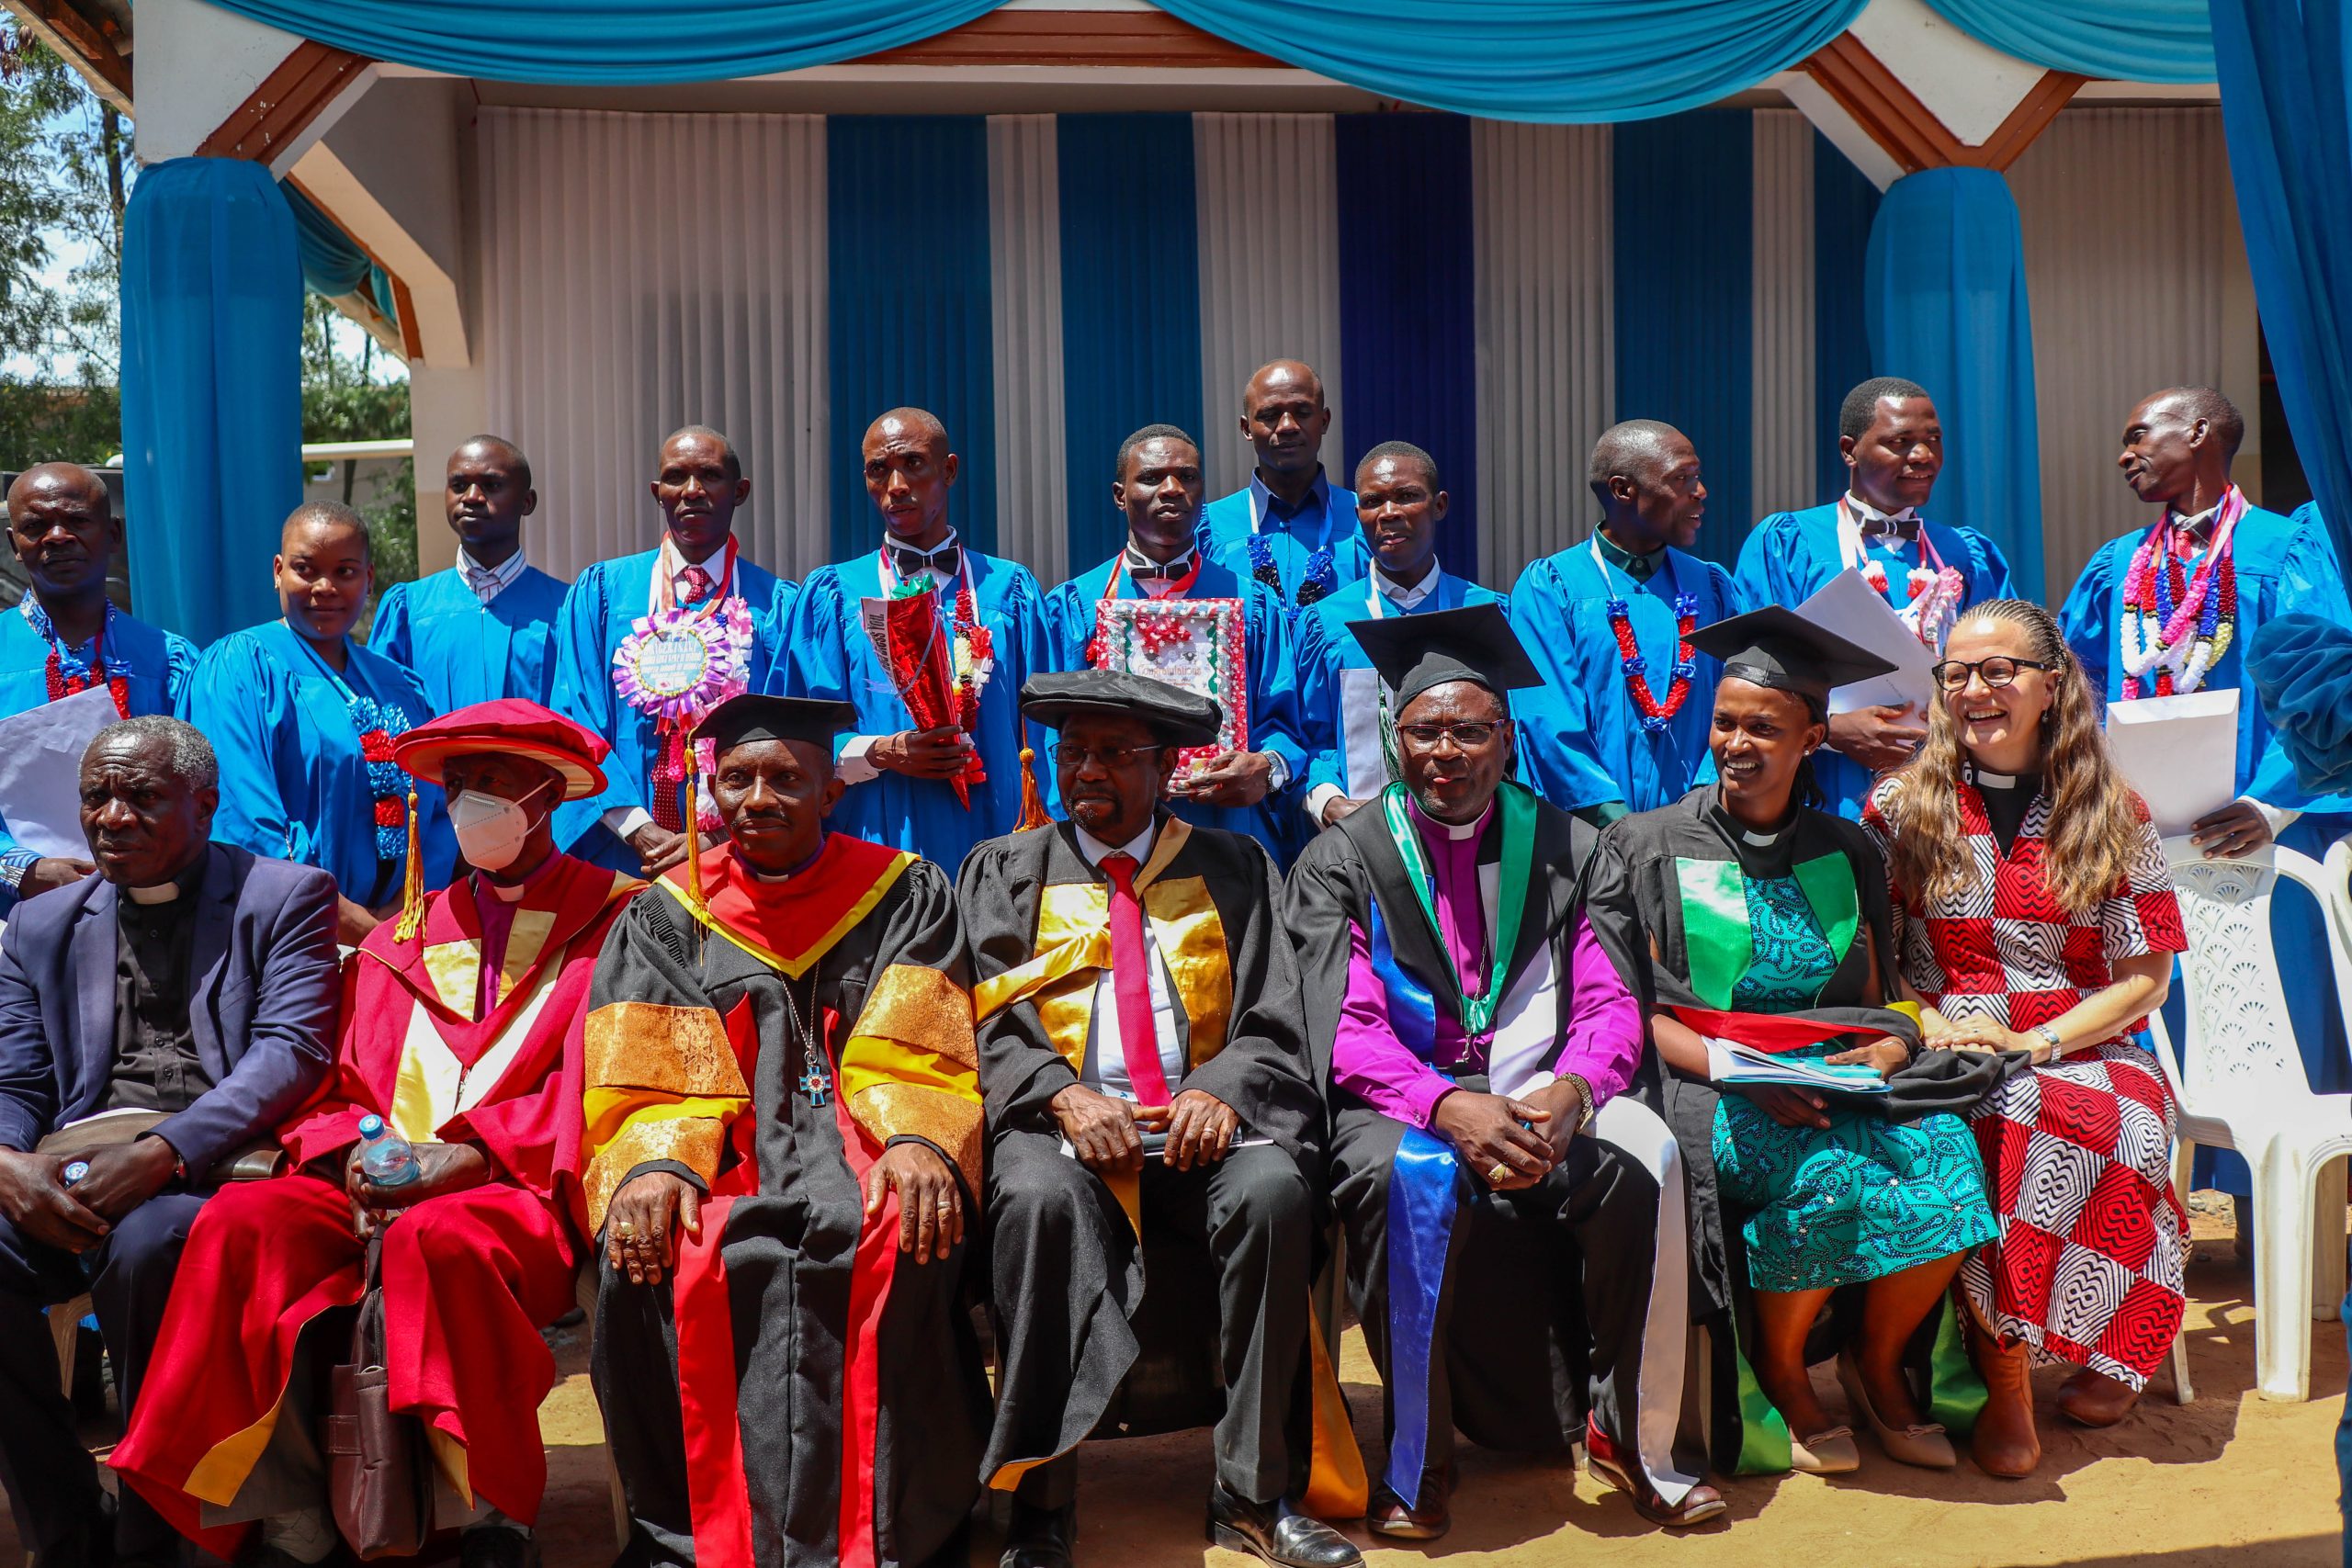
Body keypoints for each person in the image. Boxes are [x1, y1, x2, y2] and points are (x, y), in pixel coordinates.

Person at [111, 701, 639, 1568]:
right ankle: (283, 1504)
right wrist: (352, 1149)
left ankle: (483, 1510)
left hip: (519, 1190)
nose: (468, 801)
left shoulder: (622, 923)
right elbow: (336, 1085)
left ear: (548, 796)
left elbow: (613, 1085)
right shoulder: (408, 936)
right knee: (244, 1222)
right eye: (458, 784)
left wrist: (473, 1154)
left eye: (493, 783)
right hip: (382, 1186)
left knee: (436, 1240)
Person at [1285, 605, 1720, 1534]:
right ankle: (1419, 1461)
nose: (1446, 752)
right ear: (1394, 739)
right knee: (1404, 1175)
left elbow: (1611, 1000)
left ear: (1507, 739)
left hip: (1546, 1090)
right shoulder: (1340, 860)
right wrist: (1446, 1105)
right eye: (1424, 732)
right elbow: (1345, 1027)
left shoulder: (1572, 848)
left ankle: (1635, 1439)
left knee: (1648, 1156)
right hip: (1405, 1101)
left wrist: (1574, 1091)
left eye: (1470, 731)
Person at [1583, 606, 2001, 1477]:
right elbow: (1631, 1011)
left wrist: (1889, 1051)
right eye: (1724, 722)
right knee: (1825, 1171)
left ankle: (1875, 1364)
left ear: (1812, 739)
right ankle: (1779, 1371)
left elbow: (1883, 1001)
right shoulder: (1646, 845)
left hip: (1837, 1076)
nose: (1736, 744)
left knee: (1950, 1155)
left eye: (1763, 729)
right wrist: (1740, 1072)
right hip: (1706, 1081)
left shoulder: (1846, 848)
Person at [961, 671, 1357, 1568]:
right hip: (1061, 1126)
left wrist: (1221, 1089)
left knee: (1271, 1192)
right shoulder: (1006, 870)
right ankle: (1040, 1505)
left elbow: (1280, 1011)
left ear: (1166, 766)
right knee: (1036, 1199)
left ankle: (1252, 1493)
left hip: (1202, 1128)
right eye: (1073, 752)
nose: (1086, 771)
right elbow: (980, 1014)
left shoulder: (1235, 866)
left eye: (1113, 753)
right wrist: (1060, 1091)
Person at [585, 692, 989, 1568]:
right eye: (736, 779)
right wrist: (657, 1161)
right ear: (711, 791)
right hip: (725, 1145)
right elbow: (647, 1072)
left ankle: (890, 1529)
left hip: (864, 1134)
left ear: (831, 792)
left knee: (899, 1224)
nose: (757, 799)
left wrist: (918, 1138)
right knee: (671, 1243)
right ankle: (700, 1533)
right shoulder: (666, 914)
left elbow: (923, 1047)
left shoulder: (904, 892)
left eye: (785, 779)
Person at [0, 716, 339, 1568]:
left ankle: (158, 1535)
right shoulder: (38, 925)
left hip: (217, 1163)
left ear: (205, 805)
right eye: (96, 797)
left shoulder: (284, 896)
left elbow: (289, 1052)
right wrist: (9, 1169)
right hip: (76, 1162)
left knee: (152, 1243)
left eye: (142, 797)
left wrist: (162, 1152)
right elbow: (16, 1081)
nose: (113, 817)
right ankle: (68, 1528)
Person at [1860, 601, 2188, 1478]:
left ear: (2051, 685)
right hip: (1943, 1028)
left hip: (2078, 1032)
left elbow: (2144, 979)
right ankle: (2002, 1363)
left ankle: (2117, 1338)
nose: (1975, 689)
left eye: (1999, 670)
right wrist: (1930, 1022)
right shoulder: (1899, 805)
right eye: (1957, 673)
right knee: (1997, 1114)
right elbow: (1876, 956)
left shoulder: (2113, 809)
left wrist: (2035, 1040)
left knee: (2120, 1122)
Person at [2059, 388, 2352, 1146]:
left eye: (2138, 435)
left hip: (2264, 834)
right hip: (2147, 839)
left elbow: (2321, 691)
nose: (2123, 454)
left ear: (2197, 432)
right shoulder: (2117, 566)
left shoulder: (2285, 549)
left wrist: (2269, 805)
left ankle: (2277, 1202)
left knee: (2280, 1012)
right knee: (2162, 1011)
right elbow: (2075, 689)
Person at [776, 408, 1052, 869]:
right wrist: (882, 752)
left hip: (999, 835)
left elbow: (1048, 733)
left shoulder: (1010, 591)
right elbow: (798, 735)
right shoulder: (835, 594)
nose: (897, 485)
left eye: (914, 463)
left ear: (949, 470)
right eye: (878, 470)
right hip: (875, 836)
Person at [1736, 378, 2018, 818]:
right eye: (1900, 442)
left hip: (1946, 785)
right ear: (1850, 450)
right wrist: (1830, 730)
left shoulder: (1966, 553)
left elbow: (2009, 667)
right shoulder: (1790, 543)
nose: (1923, 455)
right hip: (1823, 788)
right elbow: (1756, 672)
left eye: (1933, 440)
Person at [181, 503, 457, 947]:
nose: (325, 587)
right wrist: (354, 927)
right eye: (306, 569)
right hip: (290, 939)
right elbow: (246, 822)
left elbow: (440, 815)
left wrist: (400, 918)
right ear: (278, 571)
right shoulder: (240, 668)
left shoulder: (398, 684)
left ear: (369, 579)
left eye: (345, 572)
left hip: (402, 935)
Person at [1045, 425, 1307, 864]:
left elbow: (1286, 723)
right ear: (1120, 495)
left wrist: (1267, 766)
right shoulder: (1077, 605)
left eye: (1187, 477)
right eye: (1151, 478)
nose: (1172, 489)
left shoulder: (1252, 603)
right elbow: (1052, 736)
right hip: (1109, 836)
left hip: (1225, 831)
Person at [550, 426, 797, 877]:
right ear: (657, 493)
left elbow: (787, 739)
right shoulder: (602, 593)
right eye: (675, 477)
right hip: (618, 851)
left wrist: (716, 838)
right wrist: (637, 828)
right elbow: (575, 719)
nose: (692, 490)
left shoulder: (778, 606)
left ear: (740, 492)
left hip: (737, 853)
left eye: (710, 475)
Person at [1508, 421, 1743, 821]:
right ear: (1622, 490)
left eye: (1697, 476)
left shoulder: (1712, 587)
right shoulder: (1552, 587)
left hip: (1701, 827)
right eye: (1682, 478)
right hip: (1586, 835)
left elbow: (1737, 705)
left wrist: (1703, 810)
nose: (1700, 491)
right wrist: (1613, 823)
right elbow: (1548, 719)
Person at [0, 464, 198, 910]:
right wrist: (20, 869)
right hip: (16, 915)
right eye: (36, 526)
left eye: (76, 520)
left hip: (155, 907)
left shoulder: (170, 660)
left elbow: (199, 787)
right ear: (15, 544)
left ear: (113, 534)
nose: (57, 536)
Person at [1292, 442, 1510, 834]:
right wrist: (1328, 800)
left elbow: (1514, 734)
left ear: (1439, 505)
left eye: (1407, 496)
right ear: (1358, 514)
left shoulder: (1487, 613)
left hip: (1474, 831)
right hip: (1362, 832)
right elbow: (1310, 735)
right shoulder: (1326, 622)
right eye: (1373, 501)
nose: (1388, 513)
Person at [370, 435, 571, 711]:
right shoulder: (409, 609)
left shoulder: (567, 610)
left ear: (527, 502)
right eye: (459, 486)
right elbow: (383, 717)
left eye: (492, 485)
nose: (471, 497)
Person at [1201, 360, 1369, 618]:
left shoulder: (1365, 518)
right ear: (1246, 428)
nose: (1288, 426)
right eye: (1270, 415)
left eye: (1302, 412)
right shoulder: (1210, 527)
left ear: (1324, 421)